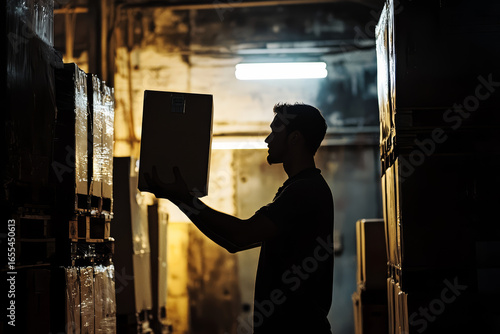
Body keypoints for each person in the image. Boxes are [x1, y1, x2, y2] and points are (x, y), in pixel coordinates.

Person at [145, 103, 334, 334]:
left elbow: (240, 235)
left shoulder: (304, 191)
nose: (267, 139)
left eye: (275, 131)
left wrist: (185, 199)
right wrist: (181, 200)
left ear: (294, 138)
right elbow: (233, 243)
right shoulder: (299, 188)